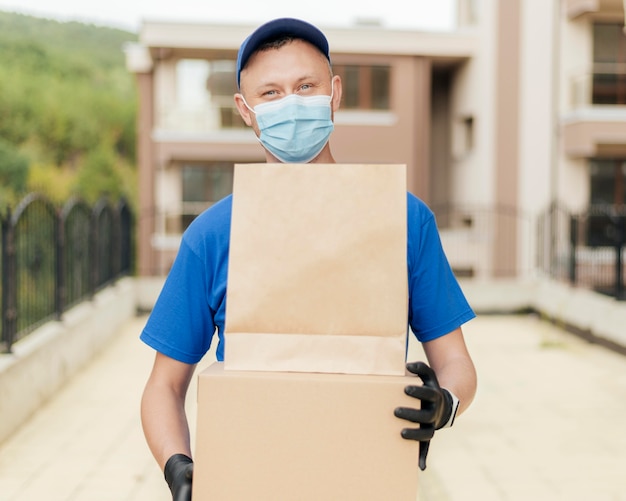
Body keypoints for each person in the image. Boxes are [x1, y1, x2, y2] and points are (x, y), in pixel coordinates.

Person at [140, 17, 477, 500]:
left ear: (334, 93)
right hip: (248, 477)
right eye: (271, 94)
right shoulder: (211, 236)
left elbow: (458, 364)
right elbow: (163, 387)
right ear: (245, 110)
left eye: (305, 86)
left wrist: (445, 404)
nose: (292, 105)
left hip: (368, 478)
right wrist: (178, 466)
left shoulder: (403, 219)